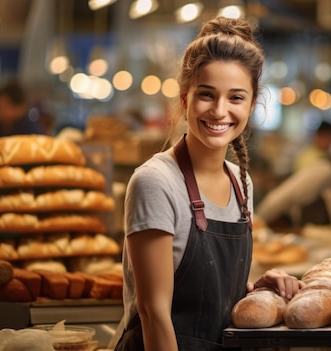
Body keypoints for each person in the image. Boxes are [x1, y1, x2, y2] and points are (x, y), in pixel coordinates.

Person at [114, 17, 302, 351]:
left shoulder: (241, 184)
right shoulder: (155, 182)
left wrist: (252, 291)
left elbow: (206, 300)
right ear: (185, 98)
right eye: (207, 94)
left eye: (236, 97)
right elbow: (154, 312)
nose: (219, 111)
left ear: (252, 104)